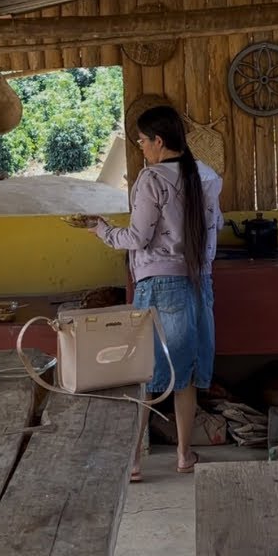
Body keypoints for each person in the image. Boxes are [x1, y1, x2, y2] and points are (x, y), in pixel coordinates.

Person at [90, 105, 222, 480]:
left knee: (145, 375)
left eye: (142, 141)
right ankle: (183, 455)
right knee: (187, 375)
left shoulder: (151, 181)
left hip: (161, 285)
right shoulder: (208, 177)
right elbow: (217, 225)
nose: (141, 147)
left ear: (158, 141)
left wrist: (100, 229)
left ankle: (133, 461)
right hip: (199, 283)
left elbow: (136, 238)